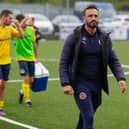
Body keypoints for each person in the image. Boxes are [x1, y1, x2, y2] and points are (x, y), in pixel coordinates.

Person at [59, 5, 127, 129]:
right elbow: (63, 62)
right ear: (84, 18)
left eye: (95, 16)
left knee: (85, 116)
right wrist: (65, 83)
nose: (93, 18)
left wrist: (120, 78)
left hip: (97, 84)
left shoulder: (104, 38)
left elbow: (113, 59)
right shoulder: (74, 37)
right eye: (90, 16)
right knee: (89, 116)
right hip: (80, 83)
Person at [0, 9, 23, 116]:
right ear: (3, 17)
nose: (11, 20)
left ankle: (0, 107)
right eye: (10, 18)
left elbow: (20, 36)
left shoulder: (10, 28)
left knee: (3, 85)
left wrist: (18, 25)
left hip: (6, 62)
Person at [14, 14, 38, 107]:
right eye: (24, 21)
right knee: (26, 78)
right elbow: (21, 25)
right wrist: (25, 19)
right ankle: (28, 100)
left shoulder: (31, 30)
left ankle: (21, 91)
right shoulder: (17, 31)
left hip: (30, 57)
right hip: (21, 58)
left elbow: (34, 43)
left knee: (31, 81)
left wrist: (37, 57)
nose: (26, 22)